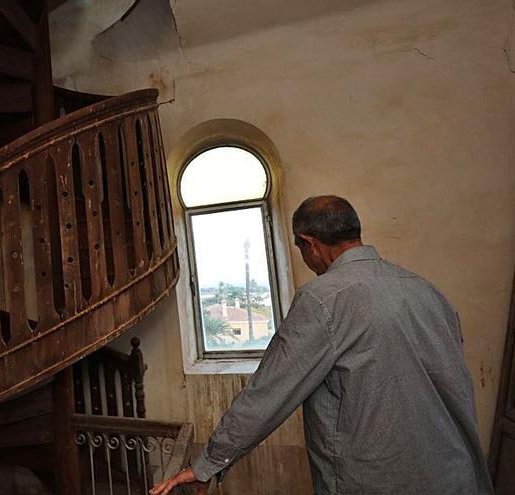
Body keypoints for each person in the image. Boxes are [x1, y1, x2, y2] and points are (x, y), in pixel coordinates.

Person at [151, 195, 493, 495]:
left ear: (309, 243)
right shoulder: (428, 292)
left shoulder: (322, 299)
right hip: (456, 474)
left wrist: (207, 464)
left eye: (301, 250)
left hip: (376, 482)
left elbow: (270, 392)